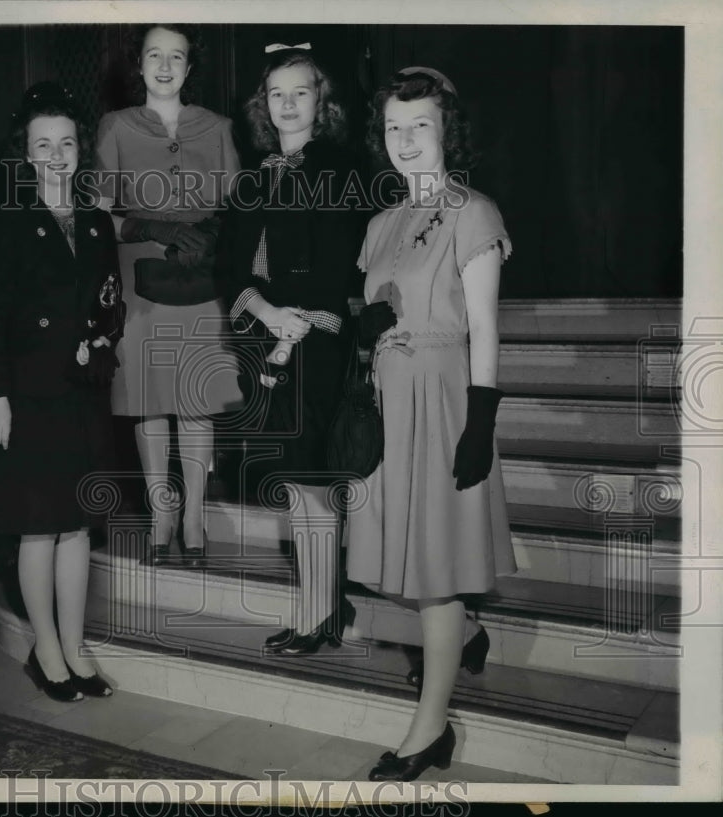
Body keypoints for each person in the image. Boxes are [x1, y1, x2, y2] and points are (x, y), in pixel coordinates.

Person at [345, 67, 517, 780]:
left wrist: (479, 422)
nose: (407, 140)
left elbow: (483, 326)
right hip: (390, 401)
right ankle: (468, 635)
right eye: (394, 127)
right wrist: (369, 338)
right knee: (410, 560)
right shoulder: (381, 223)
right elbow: (370, 311)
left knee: (438, 569)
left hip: (446, 398)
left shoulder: (473, 212)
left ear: (447, 131)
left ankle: (430, 729)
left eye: (421, 126)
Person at [0, 83, 124, 702]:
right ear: (27, 154)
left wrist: (102, 347)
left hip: (81, 391)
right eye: (44, 145)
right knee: (40, 527)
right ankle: (46, 650)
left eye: (66, 142)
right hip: (28, 394)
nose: (57, 154)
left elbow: (112, 304)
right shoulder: (12, 221)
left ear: (79, 149)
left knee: (78, 526)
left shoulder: (94, 221)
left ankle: (74, 644)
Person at [222, 44, 363, 655]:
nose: (287, 103)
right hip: (268, 344)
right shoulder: (252, 178)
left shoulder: (345, 171)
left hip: (321, 342)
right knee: (296, 483)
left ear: (320, 101)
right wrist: (267, 313)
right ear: (263, 104)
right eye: (276, 93)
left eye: (300, 91)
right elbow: (227, 269)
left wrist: (308, 318)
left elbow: (350, 268)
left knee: (311, 484)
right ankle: (322, 606)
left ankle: (318, 615)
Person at [94, 24, 244, 567]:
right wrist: (151, 226)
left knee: (196, 401)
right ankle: (162, 514)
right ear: (139, 64)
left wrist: (211, 235)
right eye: (154, 55)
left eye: (175, 56)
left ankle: (196, 517)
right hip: (142, 286)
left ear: (188, 66)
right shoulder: (114, 127)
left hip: (200, 278)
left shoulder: (220, 128)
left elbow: (239, 211)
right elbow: (99, 215)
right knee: (148, 402)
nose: (164, 66)